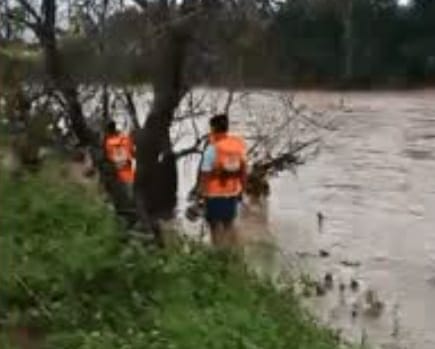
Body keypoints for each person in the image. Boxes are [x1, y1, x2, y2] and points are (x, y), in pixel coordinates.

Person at [199, 113, 247, 246]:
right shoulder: (238, 145)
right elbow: (243, 170)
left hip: (213, 194)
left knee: (214, 227)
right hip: (231, 192)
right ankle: (232, 254)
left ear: (213, 128)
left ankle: (218, 255)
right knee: (229, 224)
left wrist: (200, 195)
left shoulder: (212, 149)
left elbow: (205, 175)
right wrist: (242, 190)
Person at [104, 121, 135, 200]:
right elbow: (132, 151)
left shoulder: (107, 142)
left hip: (116, 170)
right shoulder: (125, 139)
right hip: (127, 169)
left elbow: (108, 156)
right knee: (131, 189)